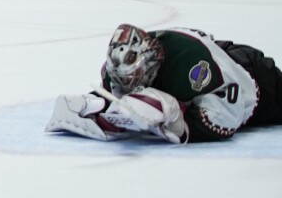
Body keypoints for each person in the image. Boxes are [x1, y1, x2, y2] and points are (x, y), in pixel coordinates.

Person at [46, 24, 282, 143]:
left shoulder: (192, 65)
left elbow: (234, 105)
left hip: (252, 74)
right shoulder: (114, 69)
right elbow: (116, 100)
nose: (128, 85)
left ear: (150, 61)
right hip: (217, 53)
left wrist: (183, 126)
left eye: (134, 77)